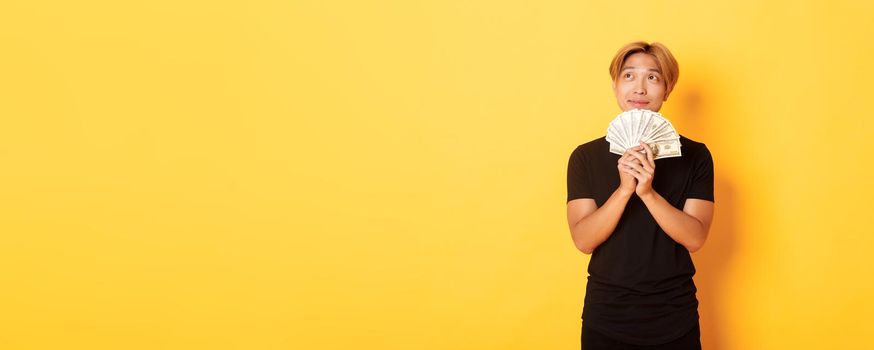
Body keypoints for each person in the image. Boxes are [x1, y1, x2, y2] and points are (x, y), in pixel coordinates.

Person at [566, 41, 715, 350]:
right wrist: (624, 190)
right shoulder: (585, 157)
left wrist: (647, 193)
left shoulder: (695, 156)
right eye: (629, 76)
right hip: (606, 316)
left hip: (674, 316)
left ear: (667, 89)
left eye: (653, 77)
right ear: (615, 85)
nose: (640, 88)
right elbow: (584, 240)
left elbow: (695, 238)